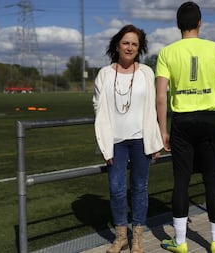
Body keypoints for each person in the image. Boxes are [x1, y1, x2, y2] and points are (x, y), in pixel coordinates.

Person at [155, 2, 215, 253]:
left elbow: (160, 97)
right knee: (212, 179)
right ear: (200, 23)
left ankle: (179, 243)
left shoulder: (166, 52)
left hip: (182, 121)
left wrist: (162, 130)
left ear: (178, 25)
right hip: (210, 120)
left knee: (181, 180)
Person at [92, 24, 163, 253]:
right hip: (115, 141)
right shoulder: (104, 74)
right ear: (117, 45)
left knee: (140, 188)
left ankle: (137, 238)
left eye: (134, 44)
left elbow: (152, 107)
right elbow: (97, 104)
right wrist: (104, 137)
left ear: (139, 48)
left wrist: (154, 140)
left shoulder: (146, 72)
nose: (130, 47)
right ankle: (120, 236)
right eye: (126, 43)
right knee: (116, 189)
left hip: (140, 139)